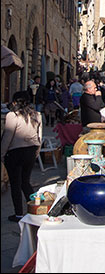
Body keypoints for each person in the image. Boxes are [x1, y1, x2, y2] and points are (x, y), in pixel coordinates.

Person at [1, 91, 42, 222]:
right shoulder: (36, 115)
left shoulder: (12, 116)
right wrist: (36, 152)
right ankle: (35, 209)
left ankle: (18, 213)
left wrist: (2, 154)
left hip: (15, 153)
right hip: (31, 151)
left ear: (14, 102)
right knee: (25, 182)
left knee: (15, 184)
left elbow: (8, 136)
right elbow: (39, 136)